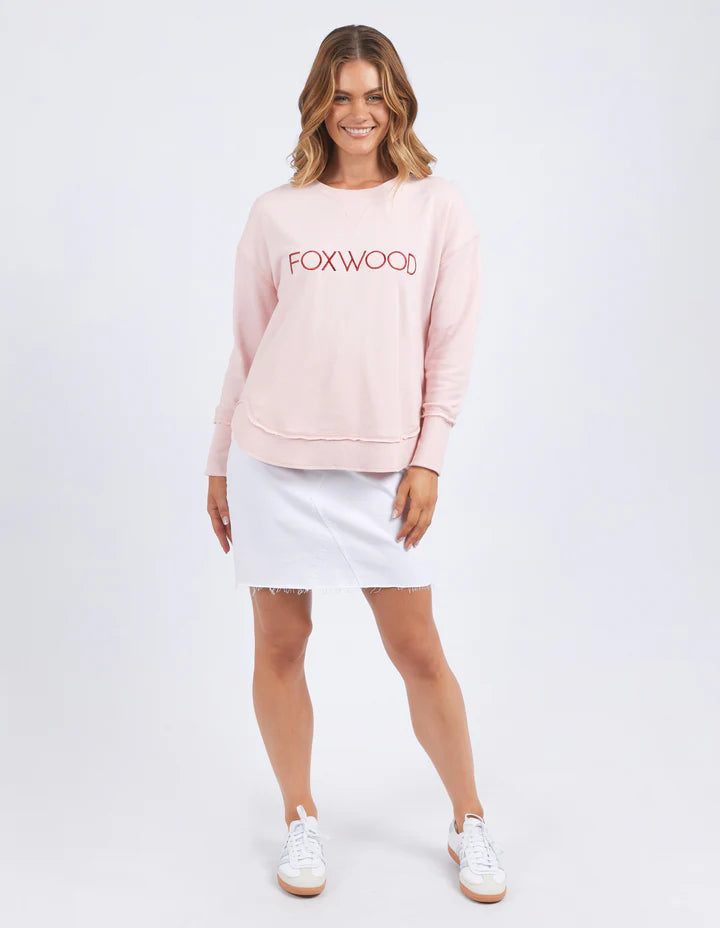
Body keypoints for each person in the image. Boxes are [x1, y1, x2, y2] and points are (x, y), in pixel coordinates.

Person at [204, 24, 507, 903]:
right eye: (341, 96)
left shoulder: (436, 207)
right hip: (272, 459)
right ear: (318, 106)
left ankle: (469, 819)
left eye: (374, 95)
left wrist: (429, 459)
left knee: (417, 650)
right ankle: (300, 814)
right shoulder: (277, 213)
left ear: (397, 102)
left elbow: (450, 347)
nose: (358, 112)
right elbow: (246, 347)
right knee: (281, 644)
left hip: (384, 469)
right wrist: (220, 461)